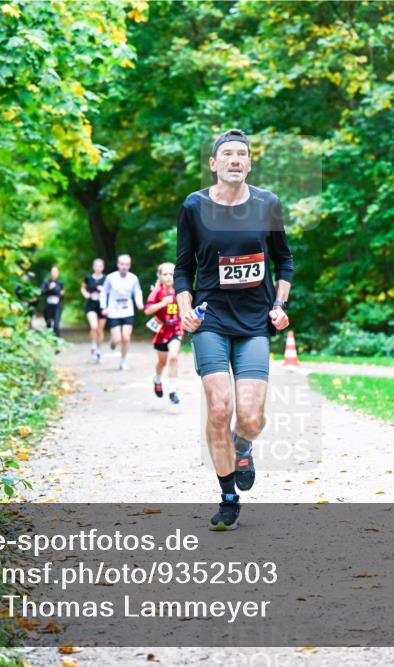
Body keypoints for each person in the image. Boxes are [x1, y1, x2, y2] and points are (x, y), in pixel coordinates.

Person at [175, 129, 293, 531]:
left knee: (250, 419)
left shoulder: (267, 204)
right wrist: (185, 308)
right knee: (219, 407)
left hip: (255, 322)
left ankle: (243, 447)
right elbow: (182, 269)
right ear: (214, 163)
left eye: (242, 154)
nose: (235, 159)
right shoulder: (194, 206)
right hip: (211, 320)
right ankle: (228, 497)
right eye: (227, 154)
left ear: (249, 162)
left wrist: (279, 306)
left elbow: (285, 263)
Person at [144, 262, 184, 404]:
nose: (168, 277)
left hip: (176, 328)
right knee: (162, 361)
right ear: (160, 276)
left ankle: (173, 390)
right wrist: (162, 303)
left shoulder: (180, 289)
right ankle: (157, 378)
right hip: (162, 330)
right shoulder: (157, 291)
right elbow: (147, 310)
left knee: (173, 357)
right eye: (165, 274)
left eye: (171, 274)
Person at [101, 254, 143, 370]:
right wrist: (104, 307)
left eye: (127, 264)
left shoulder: (133, 278)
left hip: (128, 311)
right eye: (122, 264)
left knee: (126, 337)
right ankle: (113, 342)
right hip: (114, 311)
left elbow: (137, 291)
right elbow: (104, 292)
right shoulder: (110, 277)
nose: (124, 267)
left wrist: (139, 302)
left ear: (129, 265)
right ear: (118, 265)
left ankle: (123, 361)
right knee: (117, 339)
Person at [80, 258, 107, 363]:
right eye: (96, 266)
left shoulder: (106, 279)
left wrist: (103, 290)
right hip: (91, 305)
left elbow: (110, 291)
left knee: (100, 330)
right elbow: (82, 287)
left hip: (102, 305)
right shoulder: (88, 278)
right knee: (94, 326)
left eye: (100, 266)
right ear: (93, 267)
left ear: (103, 267)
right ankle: (93, 345)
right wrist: (85, 294)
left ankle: (98, 351)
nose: (98, 268)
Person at [41, 266, 64, 339]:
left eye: (56, 272)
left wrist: (62, 293)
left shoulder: (60, 283)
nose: (54, 274)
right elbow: (42, 292)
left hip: (57, 306)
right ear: (50, 273)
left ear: (58, 273)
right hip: (48, 306)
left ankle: (57, 342)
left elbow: (62, 294)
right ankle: (49, 340)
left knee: (56, 325)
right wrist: (49, 288)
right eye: (53, 272)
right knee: (48, 324)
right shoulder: (46, 282)